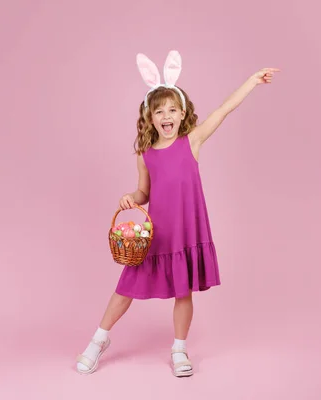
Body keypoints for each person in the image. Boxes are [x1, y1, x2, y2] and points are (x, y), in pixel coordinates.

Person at [75, 50, 279, 377]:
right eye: (160, 111)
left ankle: (179, 349)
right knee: (125, 288)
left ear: (183, 113)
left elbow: (224, 109)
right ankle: (98, 340)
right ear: (150, 117)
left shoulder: (192, 141)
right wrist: (131, 198)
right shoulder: (145, 154)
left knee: (183, 293)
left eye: (172, 109)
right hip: (157, 235)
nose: (166, 115)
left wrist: (252, 81)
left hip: (185, 233)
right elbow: (145, 192)